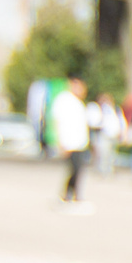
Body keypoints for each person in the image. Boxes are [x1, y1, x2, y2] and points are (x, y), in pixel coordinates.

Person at [45, 76, 91, 207]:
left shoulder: (78, 102)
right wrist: (60, 141)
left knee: (78, 169)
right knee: (73, 168)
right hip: (69, 141)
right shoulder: (64, 100)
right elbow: (57, 121)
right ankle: (68, 194)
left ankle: (73, 193)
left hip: (79, 141)